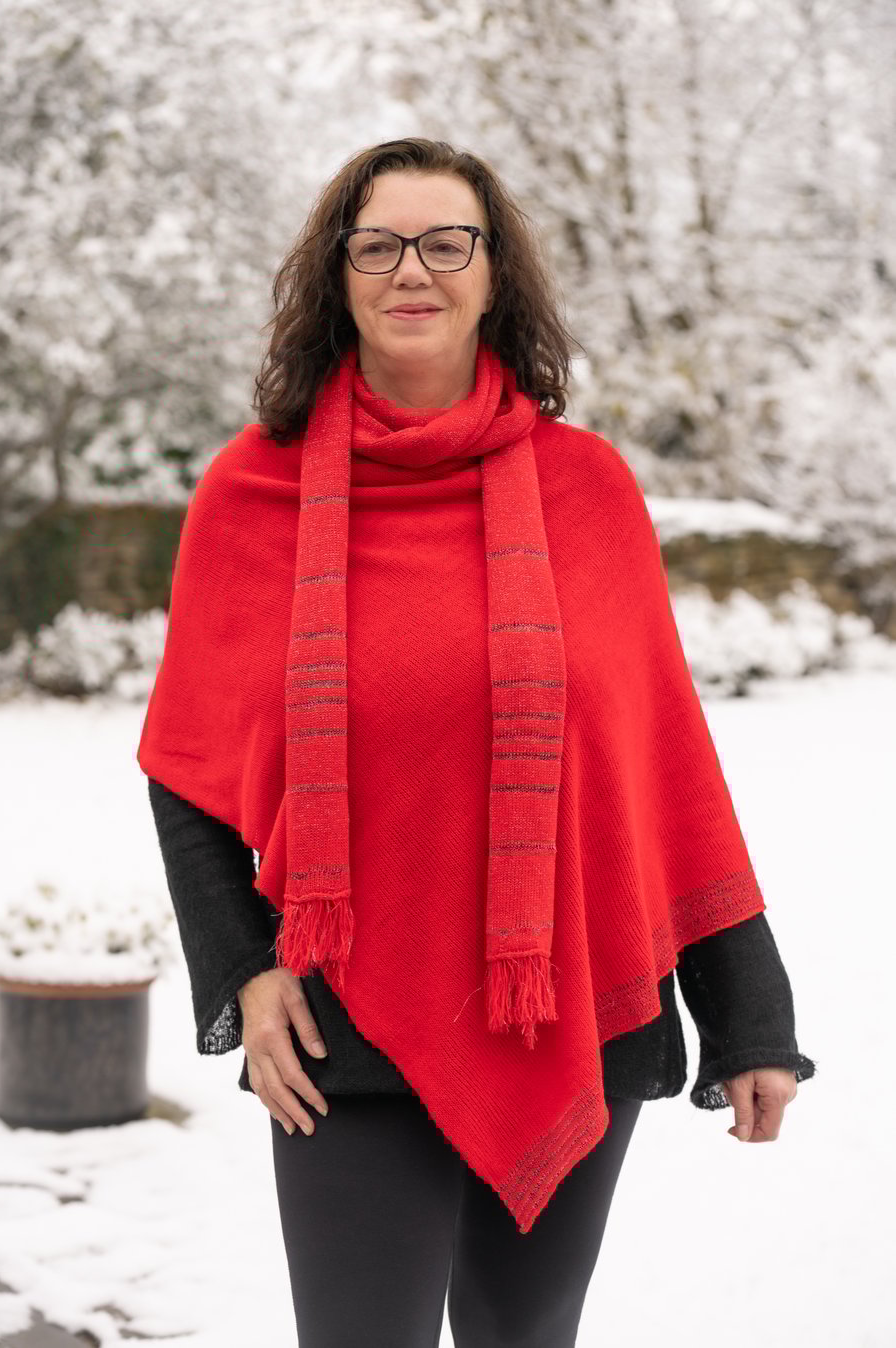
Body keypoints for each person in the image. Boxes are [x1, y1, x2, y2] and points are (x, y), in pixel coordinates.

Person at [139, 137, 815, 1348]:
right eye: (380, 244)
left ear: (493, 272)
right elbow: (186, 764)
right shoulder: (254, 493)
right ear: (337, 275)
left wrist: (751, 1012)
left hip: (565, 1003)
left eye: (448, 242)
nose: (416, 270)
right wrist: (245, 964)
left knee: (526, 1337)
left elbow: (663, 765)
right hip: (345, 1014)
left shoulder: (588, 489)